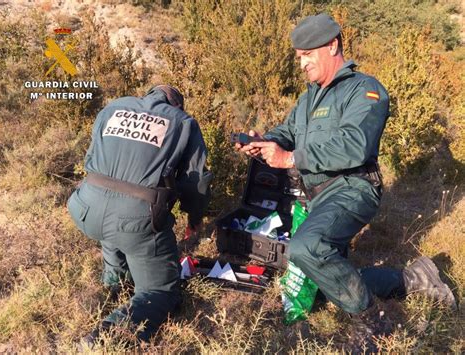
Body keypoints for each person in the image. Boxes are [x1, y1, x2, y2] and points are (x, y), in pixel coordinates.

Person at [236, 14, 456, 317]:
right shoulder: (308, 98)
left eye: (308, 55)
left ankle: (369, 320)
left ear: (332, 45)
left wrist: (290, 158)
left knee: (305, 247)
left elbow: (354, 145)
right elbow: (287, 133)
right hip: (317, 197)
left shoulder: (364, 90)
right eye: (299, 57)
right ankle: (417, 278)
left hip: (352, 188)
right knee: (326, 286)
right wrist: (263, 142)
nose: (301, 64)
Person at [67, 85, 212, 346]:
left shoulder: (113, 107)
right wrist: (194, 218)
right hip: (134, 220)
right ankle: (105, 338)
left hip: (84, 207)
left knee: (114, 219)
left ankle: (115, 282)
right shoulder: (182, 122)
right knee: (161, 291)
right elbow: (195, 183)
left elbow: (92, 156)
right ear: (177, 105)